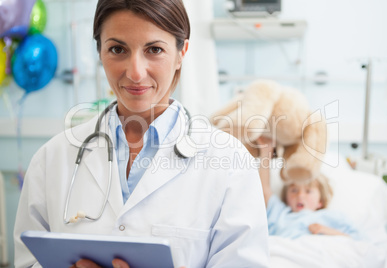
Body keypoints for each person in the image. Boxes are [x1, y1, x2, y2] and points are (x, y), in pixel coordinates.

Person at [13, 1, 270, 267]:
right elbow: (26, 261)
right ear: (100, 51)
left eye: (155, 49)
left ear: (182, 52)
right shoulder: (51, 158)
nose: (135, 72)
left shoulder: (230, 162)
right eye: (117, 49)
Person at [256, 136, 361, 240]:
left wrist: (327, 231)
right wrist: (266, 152)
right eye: (294, 190)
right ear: (286, 198)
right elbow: (264, 191)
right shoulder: (280, 214)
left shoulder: (333, 217)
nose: (300, 195)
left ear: (320, 201)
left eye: (308, 191)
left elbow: (359, 244)